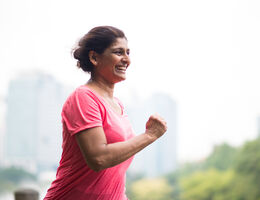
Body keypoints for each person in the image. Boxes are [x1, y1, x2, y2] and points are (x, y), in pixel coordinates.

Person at [44, 26, 167, 200]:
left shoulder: (118, 105)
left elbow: (113, 175)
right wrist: (150, 135)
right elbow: (99, 158)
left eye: (128, 52)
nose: (127, 60)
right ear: (94, 57)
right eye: (118, 52)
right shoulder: (83, 98)